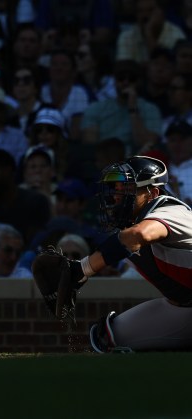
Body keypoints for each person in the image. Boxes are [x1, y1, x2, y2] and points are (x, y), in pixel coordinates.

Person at [67, 156, 192, 352]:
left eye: (127, 189)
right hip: (183, 307)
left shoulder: (171, 210)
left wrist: (82, 269)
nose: (117, 195)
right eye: (116, 188)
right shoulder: (131, 226)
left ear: (153, 193)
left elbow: (139, 234)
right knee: (107, 337)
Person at [81, 60, 162, 155]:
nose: (126, 82)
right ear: (114, 81)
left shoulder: (151, 109)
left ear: (139, 82)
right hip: (104, 160)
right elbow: (90, 144)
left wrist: (133, 108)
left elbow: (146, 144)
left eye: (131, 79)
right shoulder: (96, 108)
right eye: (121, 78)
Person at [115, 0, 185, 65]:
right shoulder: (126, 36)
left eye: (150, 10)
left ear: (162, 12)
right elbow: (124, 69)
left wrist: (149, 34)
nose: (145, 15)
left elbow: (161, 69)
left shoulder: (176, 34)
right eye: (140, 11)